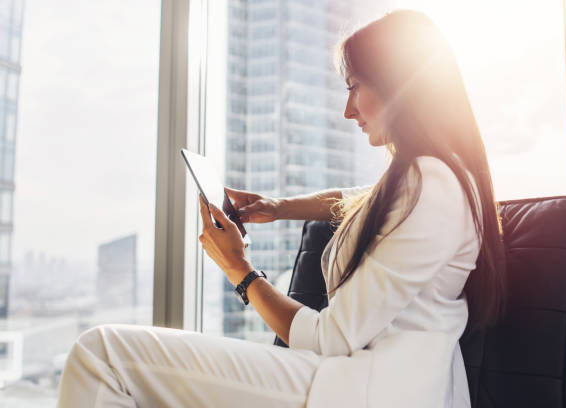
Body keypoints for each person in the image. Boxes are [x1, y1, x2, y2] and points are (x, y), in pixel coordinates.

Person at [57, 9, 506, 408]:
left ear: (397, 84)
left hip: (368, 388)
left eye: (354, 88)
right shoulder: (432, 179)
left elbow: (332, 337)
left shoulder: (432, 185)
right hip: (369, 380)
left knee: (102, 355)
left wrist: (240, 271)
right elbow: (359, 200)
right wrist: (278, 207)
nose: (348, 110)